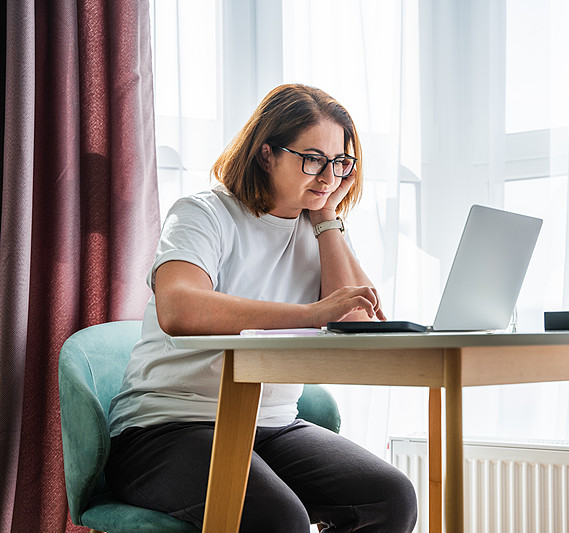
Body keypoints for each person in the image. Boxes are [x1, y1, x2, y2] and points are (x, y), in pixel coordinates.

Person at [105, 84, 418, 532]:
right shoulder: (203, 213)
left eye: (341, 162)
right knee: (278, 519)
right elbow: (179, 308)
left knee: (390, 497)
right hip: (166, 428)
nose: (328, 175)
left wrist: (328, 221)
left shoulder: (321, 227)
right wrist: (311, 313)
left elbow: (357, 324)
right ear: (267, 154)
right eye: (313, 159)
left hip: (271, 426)